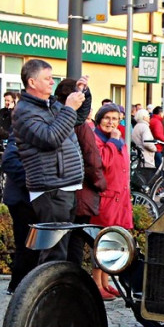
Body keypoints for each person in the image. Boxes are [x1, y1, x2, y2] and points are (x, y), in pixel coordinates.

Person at [12, 59, 85, 263]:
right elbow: (50, 138)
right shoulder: (24, 111)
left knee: (64, 248)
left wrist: (81, 95)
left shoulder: (50, 105)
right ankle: (48, 292)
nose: (52, 82)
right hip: (51, 187)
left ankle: (59, 291)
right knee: (54, 251)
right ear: (32, 82)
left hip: (64, 184)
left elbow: (77, 119)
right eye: (47, 78)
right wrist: (69, 108)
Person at [53, 77, 106, 267]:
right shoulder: (80, 126)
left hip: (59, 191)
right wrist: (101, 185)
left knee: (61, 240)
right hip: (80, 190)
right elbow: (92, 160)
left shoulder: (54, 119)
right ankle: (70, 280)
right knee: (75, 239)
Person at [90, 103, 133, 299]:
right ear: (99, 120)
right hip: (106, 198)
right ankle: (96, 283)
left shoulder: (118, 139)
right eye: (107, 118)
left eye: (115, 119)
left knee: (112, 238)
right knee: (100, 241)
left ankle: (106, 282)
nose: (111, 122)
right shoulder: (98, 139)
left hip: (119, 197)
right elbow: (102, 163)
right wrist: (114, 143)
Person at [1, 132, 38, 295]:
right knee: (25, 244)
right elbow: (9, 161)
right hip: (21, 198)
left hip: (37, 198)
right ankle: (18, 285)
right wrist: (33, 180)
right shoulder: (19, 131)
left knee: (34, 245)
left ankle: (26, 284)